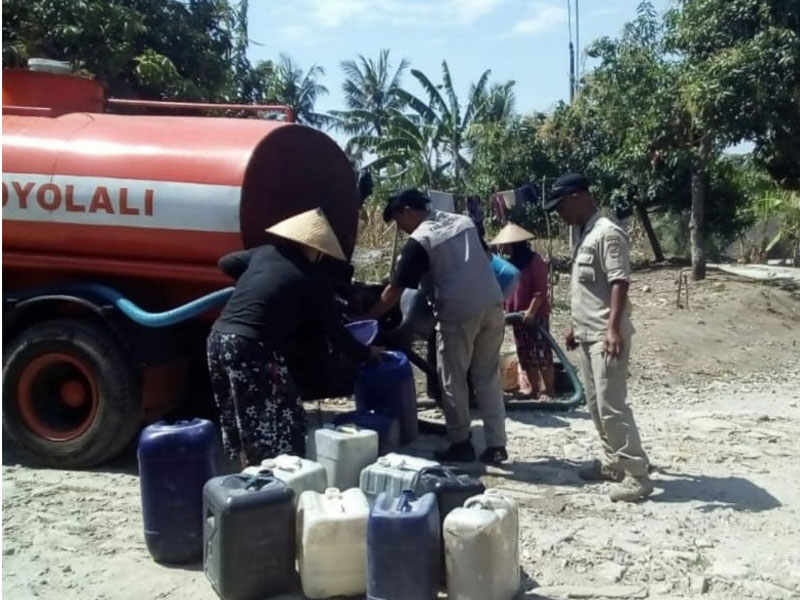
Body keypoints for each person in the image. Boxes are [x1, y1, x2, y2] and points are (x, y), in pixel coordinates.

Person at [207, 208, 380, 467]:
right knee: (281, 417)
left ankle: (248, 472)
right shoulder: (311, 279)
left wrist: (257, 283)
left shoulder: (266, 253)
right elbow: (337, 335)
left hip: (217, 340)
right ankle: (272, 476)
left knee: (241, 415)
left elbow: (226, 262)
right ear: (315, 249)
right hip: (251, 347)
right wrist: (368, 353)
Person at [364, 188, 508, 464]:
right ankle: (496, 445)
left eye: (398, 221)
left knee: (452, 379)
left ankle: (461, 442)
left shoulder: (421, 239)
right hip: (492, 303)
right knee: (487, 376)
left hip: (458, 313)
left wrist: (367, 318)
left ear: (408, 210)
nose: (401, 229)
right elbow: (488, 258)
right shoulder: (464, 222)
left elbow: (393, 292)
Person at [544, 173, 653, 502]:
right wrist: (575, 326)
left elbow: (620, 281)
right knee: (594, 404)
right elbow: (591, 287)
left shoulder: (608, 232)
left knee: (611, 406)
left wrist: (613, 328)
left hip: (606, 335)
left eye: (561, 206)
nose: (560, 214)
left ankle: (637, 474)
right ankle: (613, 462)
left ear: (577, 197)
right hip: (588, 333)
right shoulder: (583, 233)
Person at [490, 223, 555, 400]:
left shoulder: (535, 261)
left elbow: (540, 290)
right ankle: (533, 389)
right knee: (525, 353)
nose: (504, 248)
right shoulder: (509, 265)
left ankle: (549, 390)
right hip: (517, 316)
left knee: (541, 353)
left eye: (507, 245)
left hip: (535, 315)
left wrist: (532, 311)